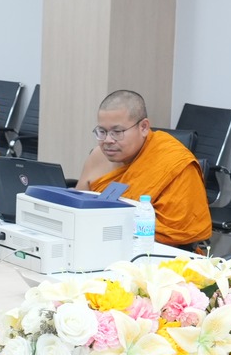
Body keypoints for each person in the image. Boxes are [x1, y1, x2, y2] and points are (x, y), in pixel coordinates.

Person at [79, 90, 212, 246]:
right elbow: (76, 209)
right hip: (96, 243)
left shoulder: (174, 163)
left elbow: (181, 236)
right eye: (102, 132)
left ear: (143, 127)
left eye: (117, 132)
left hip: (154, 252)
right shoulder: (98, 156)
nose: (107, 140)